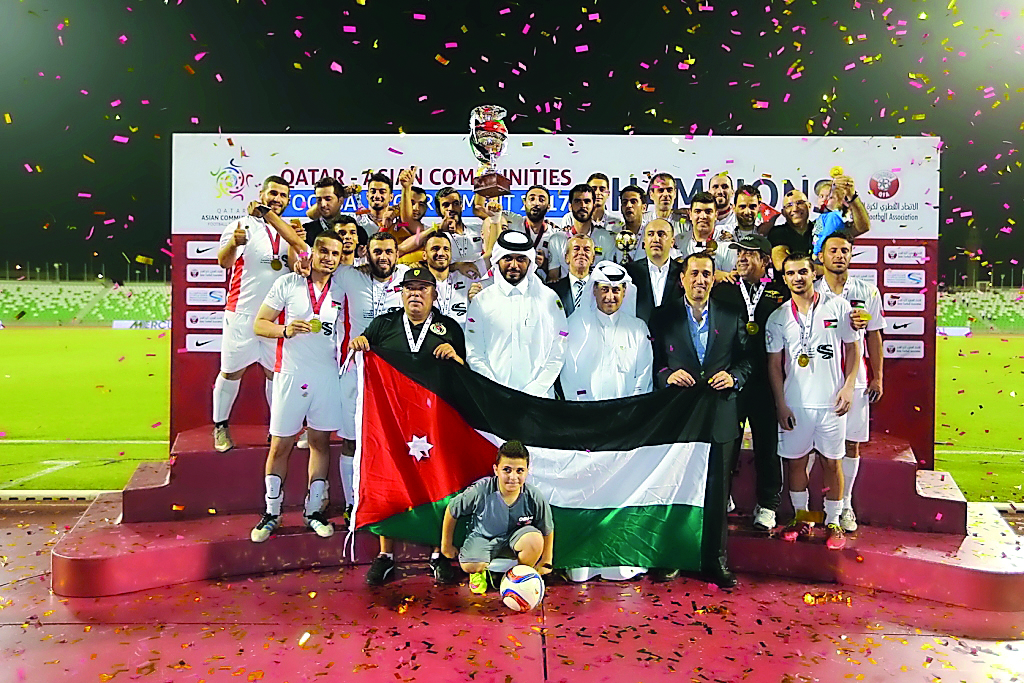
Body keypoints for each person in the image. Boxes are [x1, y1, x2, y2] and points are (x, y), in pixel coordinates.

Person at [349, 266, 466, 586]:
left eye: (423, 288)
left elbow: (464, 374)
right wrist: (360, 343)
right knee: (390, 483)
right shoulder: (383, 325)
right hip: (392, 426)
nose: (416, 294)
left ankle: (437, 554)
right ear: (401, 293)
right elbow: (362, 357)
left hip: (435, 424)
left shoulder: (449, 328)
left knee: (436, 485)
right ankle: (385, 555)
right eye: (410, 288)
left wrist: (454, 357)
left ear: (434, 293)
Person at [648, 252, 751, 588]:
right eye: (694, 274)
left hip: (720, 414)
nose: (700, 280)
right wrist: (667, 376)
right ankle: (673, 556)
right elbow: (655, 364)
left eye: (707, 274)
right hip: (679, 417)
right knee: (675, 488)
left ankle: (715, 562)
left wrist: (734, 378)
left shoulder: (732, 313)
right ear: (682, 279)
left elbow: (748, 361)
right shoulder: (663, 317)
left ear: (713, 278)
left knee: (717, 492)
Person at [249, 231, 346, 543]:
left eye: (336, 253)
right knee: (280, 446)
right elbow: (259, 323)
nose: (329, 258)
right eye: (324, 251)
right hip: (290, 374)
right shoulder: (288, 283)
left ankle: (314, 511)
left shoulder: (343, 288)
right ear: (313, 253)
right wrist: (285, 329)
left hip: (328, 376)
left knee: (319, 443)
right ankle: (271, 513)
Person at [765, 253, 860, 551]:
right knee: (795, 463)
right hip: (796, 404)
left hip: (831, 403)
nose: (797, 277)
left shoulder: (839, 306)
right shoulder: (778, 317)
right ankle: (803, 518)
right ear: (784, 278)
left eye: (803, 271)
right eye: (791, 273)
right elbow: (774, 366)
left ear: (813, 272)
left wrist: (848, 387)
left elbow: (854, 351)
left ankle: (833, 520)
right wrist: (780, 404)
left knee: (833, 462)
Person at [711, 234, 790, 531]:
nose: (742, 258)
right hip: (730, 378)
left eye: (750, 253)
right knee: (726, 442)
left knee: (767, 444)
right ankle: (723, 497)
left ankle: (768, 503)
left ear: (766, 261)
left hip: (767, 382)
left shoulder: (780, 293)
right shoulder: (724, 291)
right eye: (739, 253)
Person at [212, 175, 292, 453]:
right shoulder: (239, 225)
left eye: (283, 195)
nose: (277, 199)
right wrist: (234, 243)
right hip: (242, 313)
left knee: (275, 374)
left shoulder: (289, 230)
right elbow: (223, 262)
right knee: (231, 373)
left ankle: (276, 429)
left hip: (275, 317)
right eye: (273, 193)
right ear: (262, 193)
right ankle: (220, 426)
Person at [332, 232, 409, 519]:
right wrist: (302, 261)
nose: (383, 257)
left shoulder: (408, 278)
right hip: (356, 373)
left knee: (396, 440)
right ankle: (352, 503)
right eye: (377, 251)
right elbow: (313, 259)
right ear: (368, 253)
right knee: (352, 441)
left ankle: (394, 497)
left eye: (389, 251)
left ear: (398, 254)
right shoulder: (349, 276)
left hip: (396, 376)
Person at [814, 231, 885, 532]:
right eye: (833, 251)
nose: (839, 256)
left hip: (855, 382)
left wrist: (878, 376)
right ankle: (808, 508)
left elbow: (875, 335)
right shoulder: (810, 290)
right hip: (818, 381)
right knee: (812, 448)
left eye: (845, 250)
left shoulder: (867, 292)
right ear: (821, 256)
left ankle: (846, 505)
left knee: (851, 445)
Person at [441, 441, 554, 595]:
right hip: (483, 536)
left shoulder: (534, 496)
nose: (513, 477)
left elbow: (547, 528)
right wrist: (446, 545)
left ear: (527, 471)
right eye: (507, 470)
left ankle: (517, 577)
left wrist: (546, 560)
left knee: (534, 540)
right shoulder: (480, 490)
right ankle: (478, 573)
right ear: (496, 470)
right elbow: (452, 510)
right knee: (469, 564)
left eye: (519, 471)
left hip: (517, 537)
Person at [466, 230, 568, 398]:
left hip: (539, 400)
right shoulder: (481, 301)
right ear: (498, 260)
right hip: (494, 399)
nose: (514, 265)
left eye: (521, 259)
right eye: (508, 258)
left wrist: (536, 389)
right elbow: (474, 353)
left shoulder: (548, 298)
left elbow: (559, 348)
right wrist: (497, 391)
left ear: (530, 262)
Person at [561, 260, 653, 402]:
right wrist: (583, 405)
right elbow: (569, 373)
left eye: (616, 290)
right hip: (585, 411)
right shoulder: (575, 325)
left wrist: (631, 408)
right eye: (605, 289)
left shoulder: (638, 329)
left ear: (624, 292)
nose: (610, 297)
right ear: (594, 290)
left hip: (628, 413)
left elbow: (643, 375)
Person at [483, 185, 559, 277]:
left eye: (541, 200)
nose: (536, 203)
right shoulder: (513, 220)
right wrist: (493, 210)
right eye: (532, 199)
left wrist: (544, 264)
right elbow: (492, 215)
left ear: (548, 207)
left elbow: (561, 271)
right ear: (524, 203)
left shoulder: (555, 234)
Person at [547, 184, 616, 280]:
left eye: (587, 201)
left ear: (593, 205)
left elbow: (609, 276)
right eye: (577, 201)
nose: (582, 205)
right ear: (570, 206)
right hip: (566, 293)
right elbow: (553, 277)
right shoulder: (557, 239)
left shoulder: (606, 238)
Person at [625, 219, 684, 324]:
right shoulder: (629, 272)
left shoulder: (683, 272)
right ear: (644, 242)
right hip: (639, 336)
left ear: (672, 242)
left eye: (661, 234)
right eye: (650, 234)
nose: (656, 239)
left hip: (673, 337)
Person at [677, 191, 737, 280]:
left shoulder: (728, 245)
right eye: (698, 211)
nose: (703, 216)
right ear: (690, 214)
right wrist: (715, 274)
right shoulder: (678, 241)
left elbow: (730, 279)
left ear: (716, 215)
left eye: (708, 212)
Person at [421, 232, 473, 327]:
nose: (441, 253)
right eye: (435, 249)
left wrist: (495, 219)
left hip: (462, 339)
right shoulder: (416, 284)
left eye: (446, 249)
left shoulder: (466, 276)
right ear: (424, 255)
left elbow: (491, 257)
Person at [547, 235, 595, 317]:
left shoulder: (601, 290)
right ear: (567, 257)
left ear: (593, 259)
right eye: (576, 249)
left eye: (586, 250)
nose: (581, 253)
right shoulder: (552, 291)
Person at [766, 190, 814, 272]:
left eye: (800, 203)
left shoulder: (820, 230)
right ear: (783, 212)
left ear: (809, 206)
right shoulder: (777, 233)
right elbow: (780, 265)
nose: (795, 209)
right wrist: (823, 269)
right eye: (789, 205)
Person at [559, 173, 623, 233]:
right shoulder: (570, 218)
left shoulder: (617, 222)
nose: (598, 193)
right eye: (594, 189)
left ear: (608, 193)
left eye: (602, 189)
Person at [611, 184, 648, 264]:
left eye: (633, 202)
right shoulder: (614, 234)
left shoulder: (652, 232)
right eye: (624, 202)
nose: (628, 206)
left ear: (644, 208)